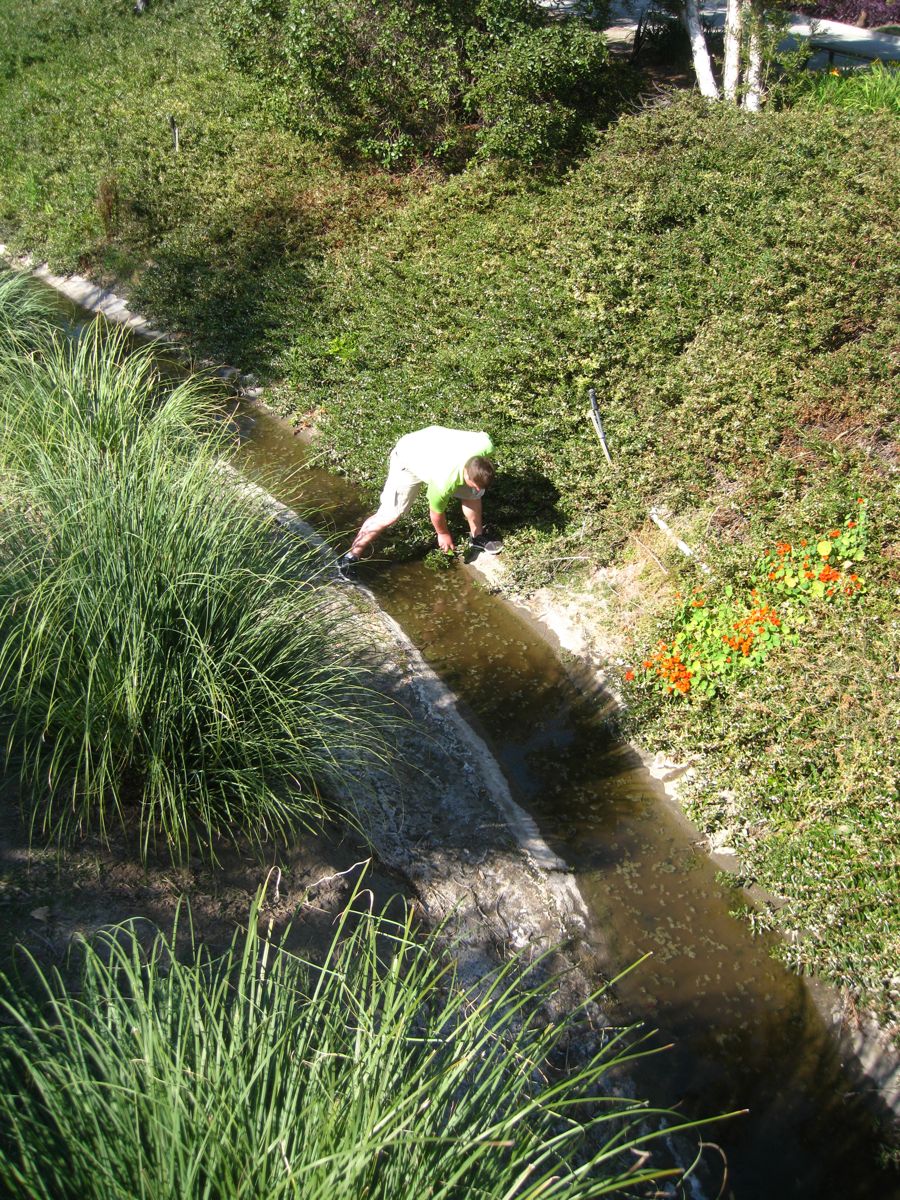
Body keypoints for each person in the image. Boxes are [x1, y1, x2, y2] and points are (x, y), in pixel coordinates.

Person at [337, 425, 502, 578]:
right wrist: (443, 534)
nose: (477, 488)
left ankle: (477, 537)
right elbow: (436, 512)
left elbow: (480, 438)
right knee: (390, 515)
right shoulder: (443, 482)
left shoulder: (486, 445)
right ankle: (350, 557)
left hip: (432, 445)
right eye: (473, 483)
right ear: (466, 473)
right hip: (409, 457)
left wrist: (475, 488)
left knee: (473, 494)